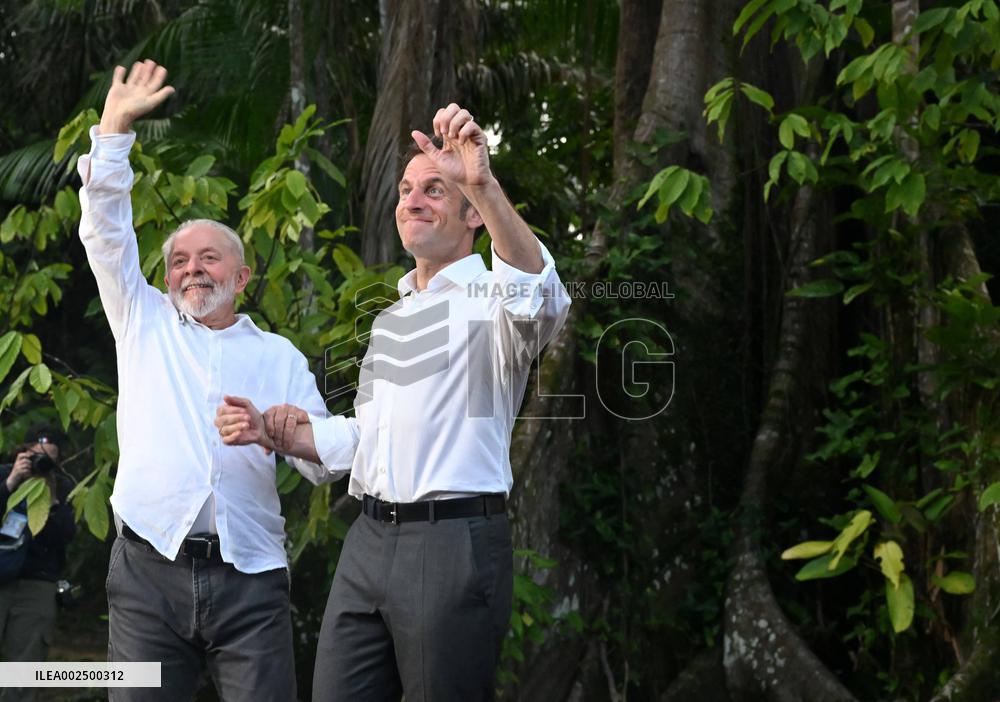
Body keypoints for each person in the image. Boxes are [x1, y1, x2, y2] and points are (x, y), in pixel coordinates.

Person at [216, 103, 571, 700]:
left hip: (453, 543)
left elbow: (541, 297)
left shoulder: (494, 298)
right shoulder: (390, 318)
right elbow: (367, 438)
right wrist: (278, 433)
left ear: (472, 217)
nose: (413, 200)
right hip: (368, 541)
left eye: (436, 189)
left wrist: (482, 183)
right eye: (407, 190)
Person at [78, 60, 337, 701]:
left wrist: (275, 432)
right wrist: (113, 129)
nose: (191, 270)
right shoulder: (142, 321)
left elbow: (324, 462)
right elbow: (105, 234)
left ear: (241, 278)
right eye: (179, 262)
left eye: (208, 257)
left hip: (252, 575)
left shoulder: (280, 357)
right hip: (146, 571)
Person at [0, 423, 75, 702]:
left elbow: (67, 535)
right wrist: (11, 483)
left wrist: (53, 497)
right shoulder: (4, 476)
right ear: (22, 453)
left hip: (38, 582)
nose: (41, 461)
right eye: (35, 455)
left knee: (25, 667)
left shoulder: (63, 486)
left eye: (49, 457)